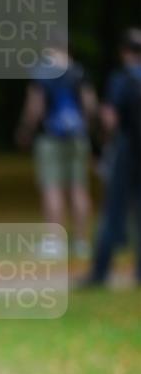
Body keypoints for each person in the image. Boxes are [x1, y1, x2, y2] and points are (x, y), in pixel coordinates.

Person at [16, 44, 97, 259]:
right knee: (79, 188)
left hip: (50, 138)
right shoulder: (78, 71)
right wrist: (86, 128)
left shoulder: (43, 73)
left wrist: (26, 129)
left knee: (52, 188)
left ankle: (55, 242)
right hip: (78, 137)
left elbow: (36, 106)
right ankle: (81, 242)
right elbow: (90, 104)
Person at [81, 28, 141, 287]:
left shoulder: (122, 79)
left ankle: (100, 271)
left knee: (113, 210)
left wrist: (100, 146)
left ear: (124, 52)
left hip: (126, 150)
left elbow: (110, 118)